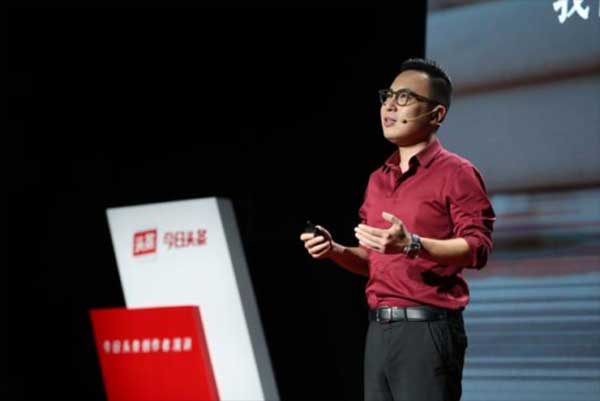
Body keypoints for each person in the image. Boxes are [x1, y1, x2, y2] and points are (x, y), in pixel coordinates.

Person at [299, 58, 495, 401]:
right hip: (379, 330)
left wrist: (413, 244)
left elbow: (477, 248)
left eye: (404, 97)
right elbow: (375, 259)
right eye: (387, 96)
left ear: (436, 114)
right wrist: (336, 251)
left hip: (427, 329)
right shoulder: (378, 178)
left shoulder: (457, 172)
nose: (389, 106)